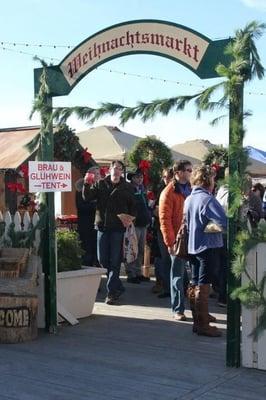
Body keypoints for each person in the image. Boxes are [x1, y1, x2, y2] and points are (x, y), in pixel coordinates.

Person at [83, 160, 136, 305]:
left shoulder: (127, 187)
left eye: (120, 168)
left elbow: (133, 207)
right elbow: (87, 197)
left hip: (118, 228)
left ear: (122, 172)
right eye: (115, 168)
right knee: (102, 260)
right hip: (102, 227)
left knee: (115, 261)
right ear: (109, 170)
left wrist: (130, 218)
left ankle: (112, 293)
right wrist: (87, 183)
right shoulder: (101, 184)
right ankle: (118, 286)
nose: (117, 171)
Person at [184, 165, 227, 337]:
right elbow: (224, 222)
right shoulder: (207, 199)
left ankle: (198, 320)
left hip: (193, 247)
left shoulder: (189, 198)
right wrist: (209, 228)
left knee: (195, 283)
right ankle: (202, 325)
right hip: (207, 246)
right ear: (207, 179)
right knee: (203, 285)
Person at [159, 160, 192, 321]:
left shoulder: (191, 190)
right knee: (177, 276)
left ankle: (198, 309)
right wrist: (170, 242)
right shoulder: (168, 192)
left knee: (190, 277)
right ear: (178, 172)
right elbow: (164, 220)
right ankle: (177, 309)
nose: (191, 172)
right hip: (178, 239)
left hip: (192, 238)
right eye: (188, 170)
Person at [125, 168, 151, 283]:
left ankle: (138, 272)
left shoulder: (142, 189)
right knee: (132, 248)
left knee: (140, 249)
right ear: (132, 178)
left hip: (143, 223)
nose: (140, 179)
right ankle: (131, 273)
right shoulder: (129, 189)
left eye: (141, 177)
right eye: (137, 177)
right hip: (134, 223)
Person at [153, 168, 173, 297]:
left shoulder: (178, 190)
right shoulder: (160, 190)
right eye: (165, 177)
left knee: (176, 260)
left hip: (174, 228)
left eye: (169, 177)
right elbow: (154, 210)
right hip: (161, 228)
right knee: (165, 259)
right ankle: (167, 288)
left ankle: (181, 288)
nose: (167, 179)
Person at [75, 167, 100, 266]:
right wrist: (96, 205)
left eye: (98, 173)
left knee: (97, 250)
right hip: (86, 225)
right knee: (87, 251)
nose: (98, 176)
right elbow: (81, 207)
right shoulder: (80, 189)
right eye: (96, 174)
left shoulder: (100, 188)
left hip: (97, 224)